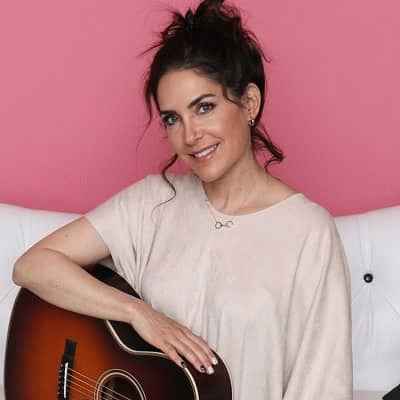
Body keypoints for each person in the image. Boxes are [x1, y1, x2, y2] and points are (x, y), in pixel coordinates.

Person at [13, 0, 353, 399]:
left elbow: (322, 386)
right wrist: (138, 313)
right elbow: (32, 266)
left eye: (204, 108)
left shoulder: (308, 232)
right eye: (172, 119)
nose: (190, 136)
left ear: (249, 103)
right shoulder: (153, 203)